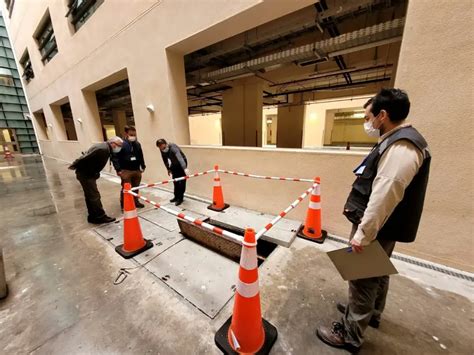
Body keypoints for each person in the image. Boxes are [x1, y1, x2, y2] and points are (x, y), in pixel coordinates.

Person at [316, 88, 431, 353]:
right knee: (376, 272)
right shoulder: (396, 140)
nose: (366, 122)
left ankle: (350, 334)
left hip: (377, 226)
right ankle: (372, 314)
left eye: (368, 117)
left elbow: (384, 196)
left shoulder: (402, 147)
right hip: (383, 225)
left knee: (362, 278)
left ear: (382, 115)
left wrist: (362, 235)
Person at [69, 137, 124, 224]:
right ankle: (100, 217)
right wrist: (74, 165)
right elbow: (85, 157)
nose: (119, 148)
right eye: (119, 145)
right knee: (94, 196)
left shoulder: (106, 148)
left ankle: (92, 216)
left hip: (87, 173)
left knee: (90, 196)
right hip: (86, 174)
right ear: (113, 143)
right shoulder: (103, 149)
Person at [111, 126, 146, 209]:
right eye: (131, 134)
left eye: (134, 134)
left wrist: (143, 165)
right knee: (126, 188)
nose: (133, 136)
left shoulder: (137, 144)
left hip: (137, 169)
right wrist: (118, 169)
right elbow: (114, 157)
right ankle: (124, 204)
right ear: (126, 133)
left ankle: (135, 201)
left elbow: (141, 155)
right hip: (125, 170)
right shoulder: (121, 144)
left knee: (136, 187)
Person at [156, 138, 189, 206]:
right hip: (174, 164)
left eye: (163, 147)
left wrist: (184, 168)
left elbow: (179, 157)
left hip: (181, 163)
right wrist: (168, 169)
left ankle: (180, 198)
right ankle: (176, 196)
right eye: (160, 148)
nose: (162, 149)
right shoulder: (162, 149)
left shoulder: (173, 147)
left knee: (182, 182)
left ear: (165, 144)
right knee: (175, 181)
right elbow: (164, 159)